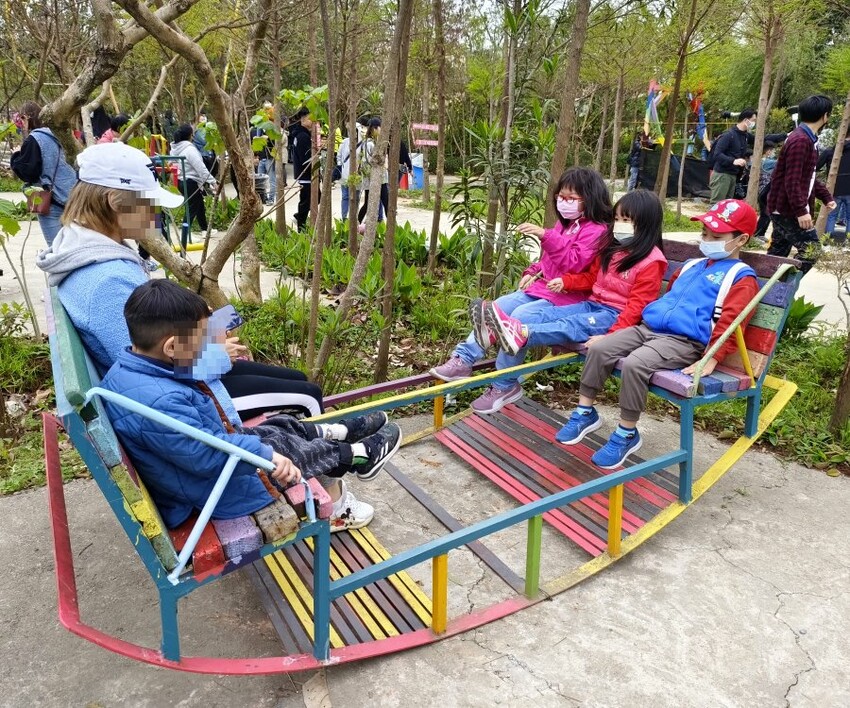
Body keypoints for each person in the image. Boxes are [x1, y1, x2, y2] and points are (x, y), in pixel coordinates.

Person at [36, 142, 377, 529]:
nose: (155, 213)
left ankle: (332, 449)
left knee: (297, 383)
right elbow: (149, 364)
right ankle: (328, 503)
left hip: (182, 379)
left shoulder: (88, 248)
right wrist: (217, 354)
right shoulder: (106, 280)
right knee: (305, 395)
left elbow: (152, 341)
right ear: (115, 201)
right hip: (189, 392)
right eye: (147, 203)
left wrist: (210, 333)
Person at [100, 279, 402, 530]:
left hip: (198, 470)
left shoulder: (130, 370)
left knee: (275, 429)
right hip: (218, 491)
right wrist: (266, 456)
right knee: (295, 455)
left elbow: (198, 445)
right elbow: (210, 458)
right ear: (170, 347)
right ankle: (361, 455)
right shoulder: (161, 401)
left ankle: (336, 431)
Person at [555, 199, 760, 469]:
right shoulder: (691, 266)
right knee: (600, 348)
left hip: (684, 341)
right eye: (705, 234)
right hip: (648, 329)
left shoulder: (741, 278)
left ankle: (627, 433)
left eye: (716, 236)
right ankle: (584, 412)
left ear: (741, 239)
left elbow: (733, 322)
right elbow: (668, 299)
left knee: (636, 364)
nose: (707, 240)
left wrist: (712, 356)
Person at [430, 167, 613, 412]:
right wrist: (531, 271)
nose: (563, 202)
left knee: (519, 319)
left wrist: (545, 235)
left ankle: (505, 384)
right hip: (542, 288)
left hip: (568, 298)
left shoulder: (597, 230)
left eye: (571, 198)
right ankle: (464, 359)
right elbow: (550, 260)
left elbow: (574, 262)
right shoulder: (565, 225)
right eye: (561, 197)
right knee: (495, 308)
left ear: (589, 198)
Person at [475, 190, 667, 413]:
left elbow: (637, 306)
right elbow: (591, 278)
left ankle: (518, 335)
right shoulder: (612, 249)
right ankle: (506, 359)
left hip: (614, 316)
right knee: (543, 314)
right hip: (592, 305)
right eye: (617, 219)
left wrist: (610, 336)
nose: (619, 225)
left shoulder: (652, 261)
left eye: (627, 220)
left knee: (570, 325)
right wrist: (566, 282)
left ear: (645, 224)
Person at [767, 95, 837, 273]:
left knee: (777, 255)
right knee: (811, 250)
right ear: (825, 116)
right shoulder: (800, 141)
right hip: (786, 209)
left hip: (786, 208)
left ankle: (767, 293)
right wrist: (801, 211)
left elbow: (808, 177)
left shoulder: (808, 139)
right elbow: (792, 180)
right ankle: (781, 291)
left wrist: (826, 197)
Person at [10, 101, 78, 246]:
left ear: (28, 117)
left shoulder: (34, 139)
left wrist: (15, 156)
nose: (21, 124)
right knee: (73, 247)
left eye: (21, 119)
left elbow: (29, 173)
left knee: (56, 250)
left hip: (49, 201)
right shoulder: (55, 134)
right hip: (70, 196)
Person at [708, 109, 786, 204]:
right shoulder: (729, 135)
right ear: (746, 120)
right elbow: (717, 154)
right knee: (716, 204)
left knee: (726, 206)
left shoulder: (745, 136)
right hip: (722, 175)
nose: (754, 123)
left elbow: (763, 138)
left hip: (733, 175)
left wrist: (785, 135)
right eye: (753, 120)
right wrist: (733, 161)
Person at [170, 123, 217, 234]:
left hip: (182, 181)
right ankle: (185, 235)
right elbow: (200, 168)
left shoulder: (175, 149)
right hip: (191, 182)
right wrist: (213, 182)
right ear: (191, 135)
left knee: (199, 205)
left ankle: (205, 229)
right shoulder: (190, 150)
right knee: (191, 210)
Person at [357, 117, 390, 229]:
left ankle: (357, 224)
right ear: (375, 128)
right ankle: (391, 227)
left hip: (373, 178)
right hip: (376, 179)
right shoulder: (370, 144)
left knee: (369, 203)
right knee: (385, 203)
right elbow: (371, 161)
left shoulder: (370, 142)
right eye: (380, 128)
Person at [817, 137, 850, 242]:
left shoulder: (830, 151)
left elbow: (816, 166)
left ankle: (827, 240)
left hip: (833, 189)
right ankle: (848, 241)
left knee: (831, 216)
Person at [337, 116, 369, 220]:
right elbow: (339, 156)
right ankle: (344, 218)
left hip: (357, 176)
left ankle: (353, 219)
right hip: (345, 176)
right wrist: (341, 165)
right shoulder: (345, 142)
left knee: (355, 198)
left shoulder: (363, 144)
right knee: (345, 197)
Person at [291, 107, 317, 231]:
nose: (313, 122)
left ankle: (300, 217)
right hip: (306, 174)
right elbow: (305, 157)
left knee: (309, 199)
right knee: (307, 201)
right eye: (311, 118)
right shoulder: (302, 137)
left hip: (304, 174)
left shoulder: (301, 134)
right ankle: (301, 223)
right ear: (304, 119)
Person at [752, 141, 778, 242]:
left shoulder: (760, 160)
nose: (773, 153)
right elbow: (780, 162)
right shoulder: (766, 162)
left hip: (763, 190)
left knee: (766, 214)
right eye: (772, 151)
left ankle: (760, 233)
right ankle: (758, 233)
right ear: (768, 151)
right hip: (764, 191)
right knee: (765, 214)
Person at [251, 101, 276, 205]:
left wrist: (268, 138)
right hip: (261, 157)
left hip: (270, 156)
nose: (267, 111)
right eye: (265, 109)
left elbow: (276, 140)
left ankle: (271, 198)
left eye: (268, 109)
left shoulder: (273, 126)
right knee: (260, 180)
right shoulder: (259, 127)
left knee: (271, 179)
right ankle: (263, 198)